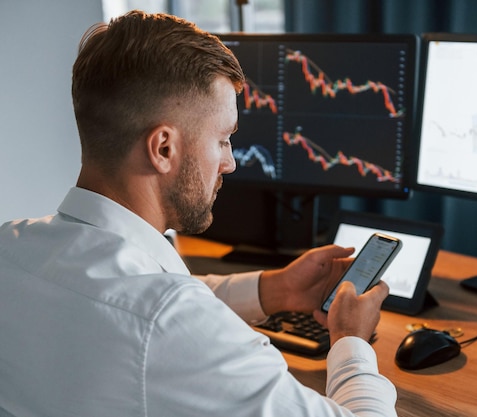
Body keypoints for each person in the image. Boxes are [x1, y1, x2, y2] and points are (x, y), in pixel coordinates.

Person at [0, 10, 397, 417]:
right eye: (223, 139)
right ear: (164, 149)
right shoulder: (172, 322)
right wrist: (351, 341)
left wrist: (276, 290)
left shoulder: (10, 248)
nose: (230, 163)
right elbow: (161, 316)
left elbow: (133, 297)